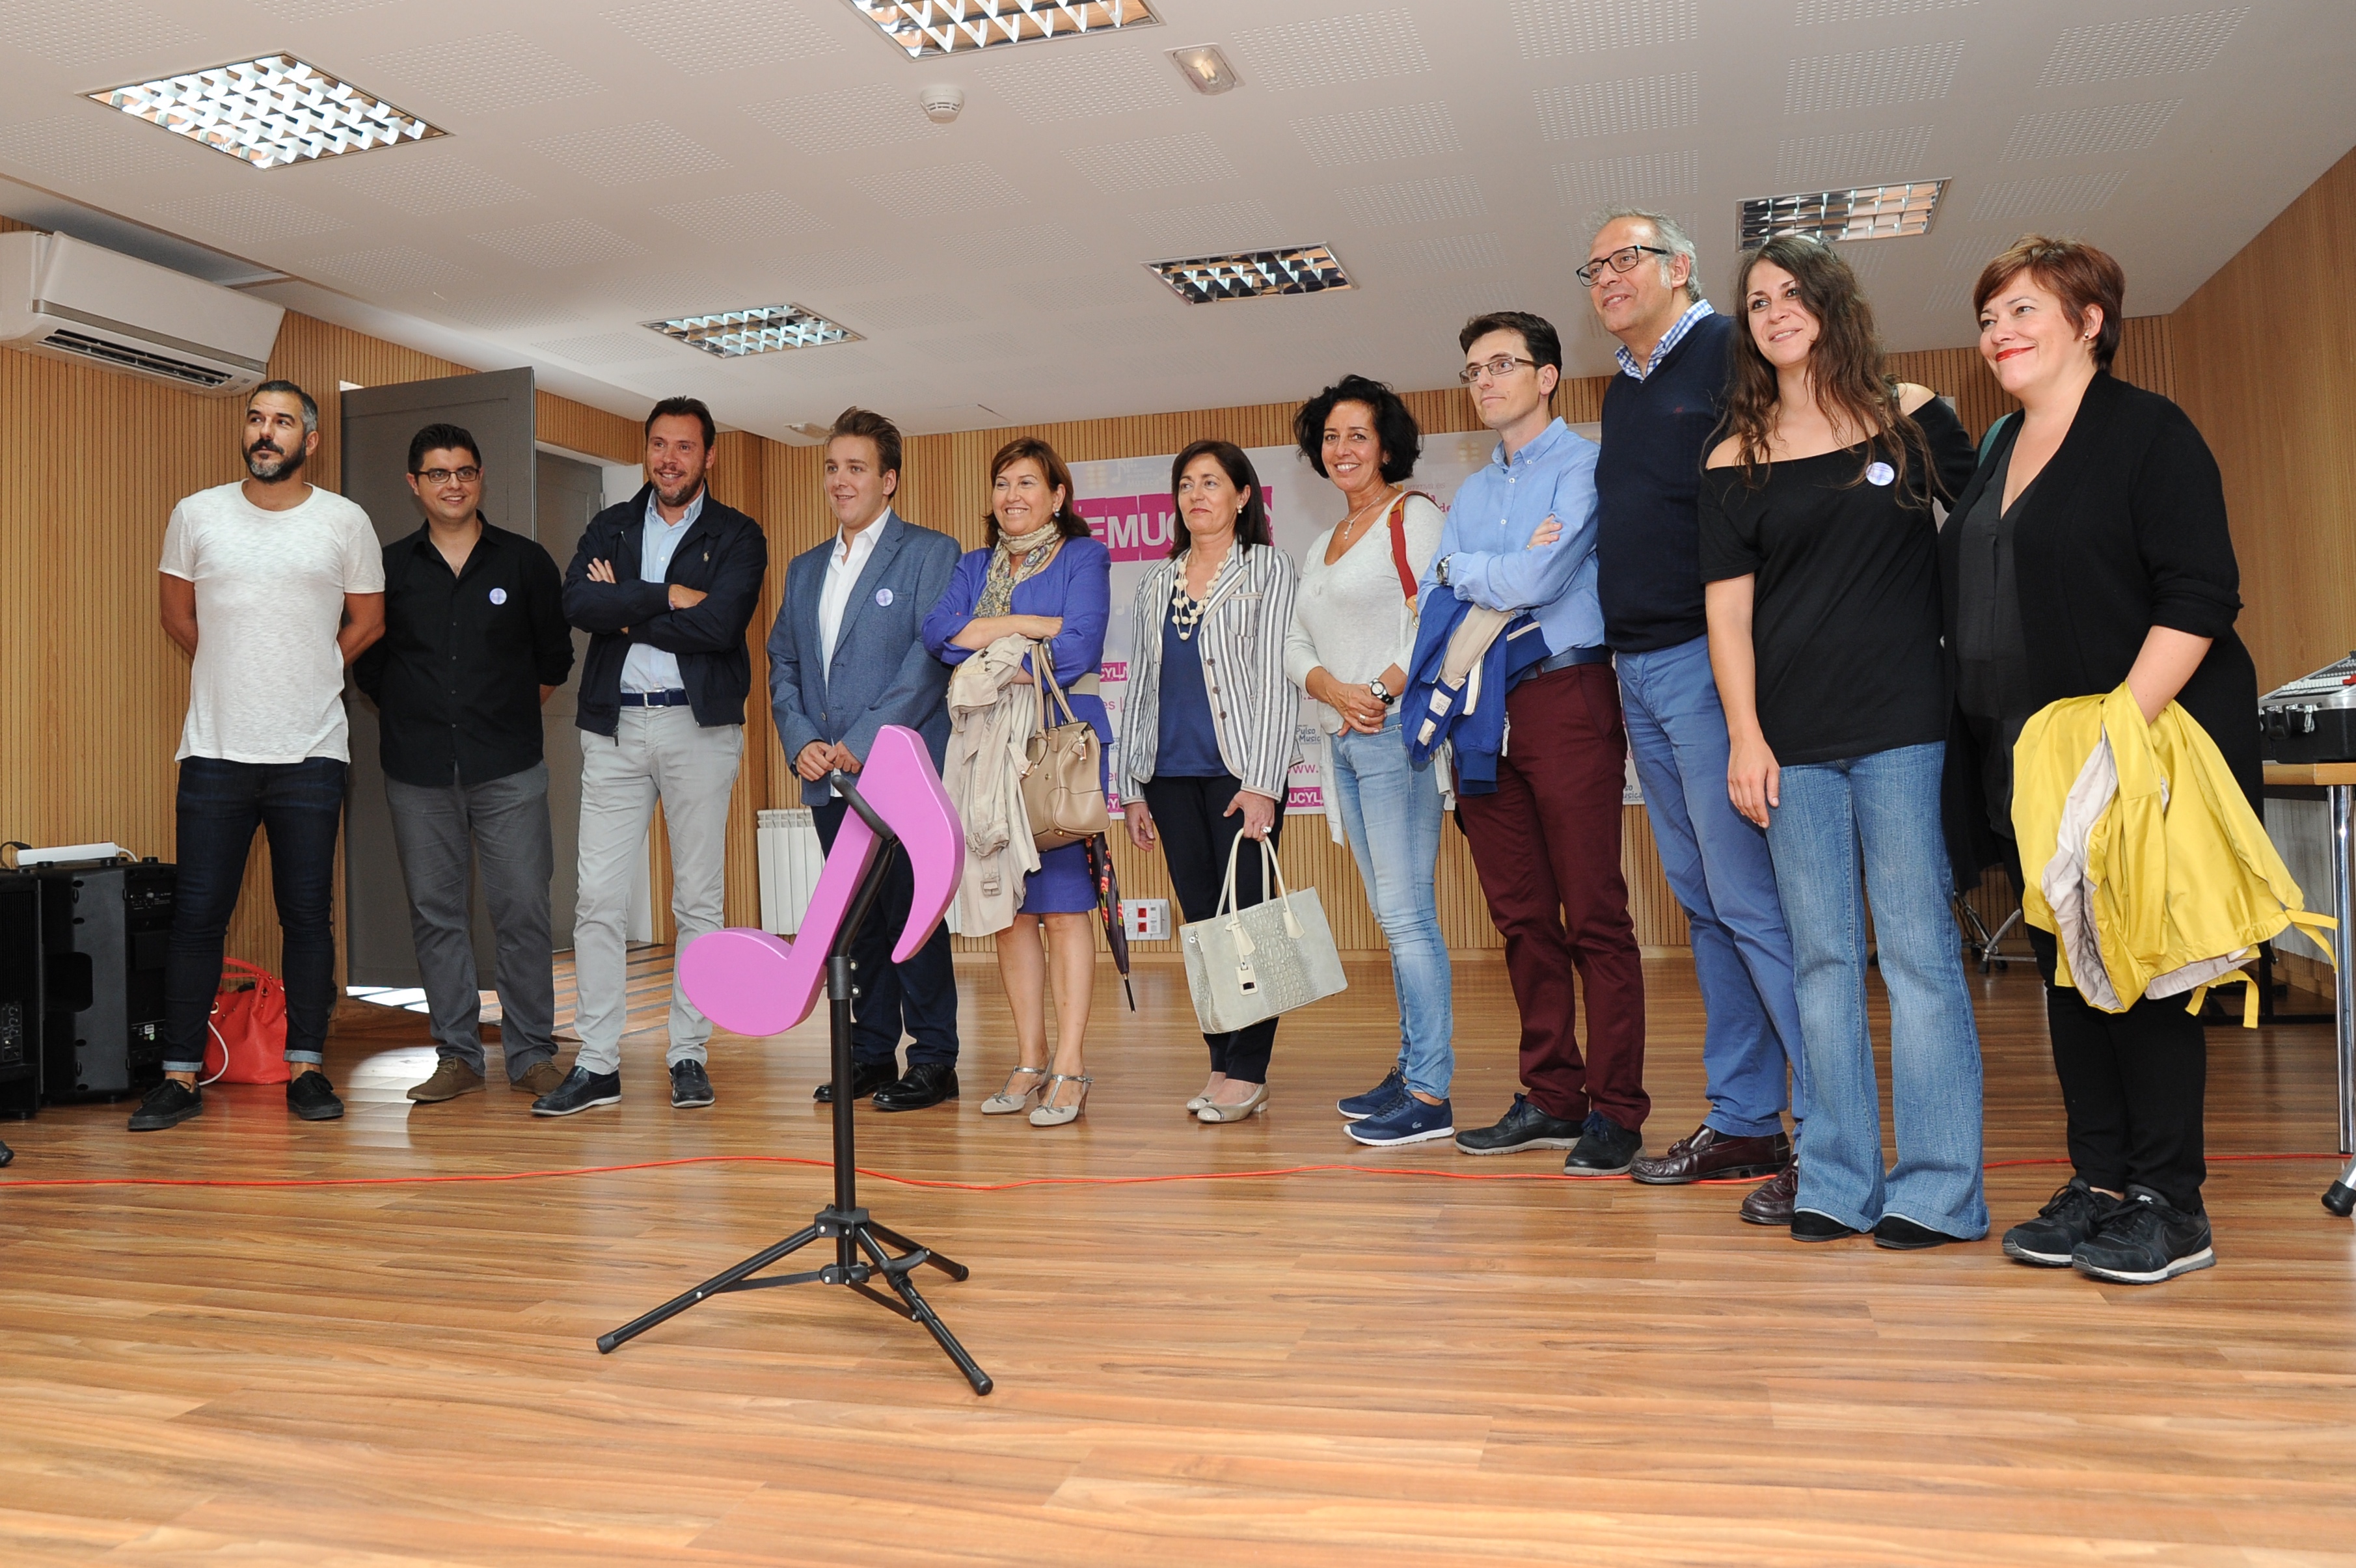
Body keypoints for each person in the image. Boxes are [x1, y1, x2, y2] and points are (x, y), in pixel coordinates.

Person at [1947, 236, 2256, 1285]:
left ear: (2089, 322)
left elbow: (2199, 595)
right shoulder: (2001, 445)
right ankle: (2102, 1181)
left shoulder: (2146, 431)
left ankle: (2172, 1204)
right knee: (2069, 972)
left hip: (2132, 746)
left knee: (2143, 972)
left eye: (2023, 311)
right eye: (1989, 318)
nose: (1999, 333)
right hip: (2030, 755)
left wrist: (2116, 732)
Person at [1698, 234, 1983, 1249]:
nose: (1775, 310)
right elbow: (1727, 616)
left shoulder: (1912, 414)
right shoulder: (1732, 457)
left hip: (1905, 728)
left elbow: (1993, 529)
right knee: (1821, 964)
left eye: (1792, 293)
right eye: (1757, 300)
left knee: (1917, 957)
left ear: (1830, 303)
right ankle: (1836, 1179)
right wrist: (1744, 735)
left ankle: (1939, 1192)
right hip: (1792, 743)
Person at [1584, 208, 1812, 1223]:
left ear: (1679, 266)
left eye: (1626, 257)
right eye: (1593, 266)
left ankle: (1833, 1133)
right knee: (1707, 904)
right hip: (1635, 667)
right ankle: (1747, 1118)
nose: (1607, 276)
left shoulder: (1730, 348)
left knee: (1752, 903)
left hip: (1708, 662)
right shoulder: (1623, 387)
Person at [130, 379, 386, 1131]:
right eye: (255, 419)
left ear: (311, 440)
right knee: (197, 917)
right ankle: (179, 1076)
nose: (265, 432)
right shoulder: (197, 513)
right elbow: (177, 615)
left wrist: (311, 668)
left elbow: (369, 620)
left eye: (282, 422)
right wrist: (236, 670)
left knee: (306, 917)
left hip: (311, 752)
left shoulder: (345, 521)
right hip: (215, 750)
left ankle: (305, 1067)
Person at [1435, 312, 1648, 1176]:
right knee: (1521, 916)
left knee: (1594, 912)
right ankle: (1553, 1096)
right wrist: (1482, 571)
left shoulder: (1584, 466)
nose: (1485, 381)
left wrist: (1470, 568)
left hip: (1565, 691)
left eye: (1502, 364)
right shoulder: (1471, 493)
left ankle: (1616, 1109)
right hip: (1482, 704)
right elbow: (1445, 598)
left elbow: (1538, 577)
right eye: (1473, 369)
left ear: (1547, 375)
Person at [538, 397, 767, 1116]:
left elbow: (720, 625)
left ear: (709, 456)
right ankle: (598, 1063)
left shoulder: (738, 534)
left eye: (685, 447)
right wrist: (667, 595)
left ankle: (688, 1053)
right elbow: (579, 605)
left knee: (697, 899)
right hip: (614, 730)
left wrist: (628, 611)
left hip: (698, 729)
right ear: (647, 451)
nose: (670, 460)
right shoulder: (610, 525)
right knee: (599, 900)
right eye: (659, 445)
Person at [353, 424, 575, 1105]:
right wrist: (421, 715)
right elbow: (369, 667)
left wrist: (500, 716)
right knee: (436, 914)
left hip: (508, 767)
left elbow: (554, 659)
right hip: (418, 771)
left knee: (523, 910)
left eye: (465, 471)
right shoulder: (387, 568)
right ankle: (457, 1055)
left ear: (480, 478)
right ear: (414, 484)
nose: (453, 484)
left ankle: (531, 1053)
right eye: (438, 473)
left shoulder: (525, 562)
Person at [772, 407, 964, 1111]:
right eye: (832, 467)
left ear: (889, 480)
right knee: (859, 923)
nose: (840, 481)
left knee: (912, 915)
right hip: (829, 778)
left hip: (898, 774)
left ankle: (935, 1058)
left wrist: (866, 736)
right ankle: (873, 1052)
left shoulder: (930, 553)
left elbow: (929, 659)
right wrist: (800, 739)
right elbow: (783, 663)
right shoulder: (804, 570)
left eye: (856, 468)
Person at [1282, 375, 1454, 1147]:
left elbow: (1436, 616)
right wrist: (1331, 688)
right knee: (1391, 914)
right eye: (1330, 436)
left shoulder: (1412, 516)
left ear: (1386, 445)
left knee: (1407, 914)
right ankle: (1411, 1064)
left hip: (1394, 734)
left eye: (1357, 434)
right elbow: (1295, 641)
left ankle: (1430, 1091)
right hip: (1341, 738)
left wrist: (1379, 691)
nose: (1342, 449)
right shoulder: (1322, 543)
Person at [921, 438, 1111, 1127]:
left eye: (1028, 483)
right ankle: (1030, 1059)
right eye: (1003, 483)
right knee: (1009, 911)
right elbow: (938, 634)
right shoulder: (975, 565)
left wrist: (986, 644)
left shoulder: (1084, 556)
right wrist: (1026, 627)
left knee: (1062, 908)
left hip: (1053, 748)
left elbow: (1079, 646)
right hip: (984, 752)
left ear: (1057, 495)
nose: (1012, 495)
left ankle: (1070, 1064)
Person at [1120, 441, 1299, 1124]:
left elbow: (1278, 683)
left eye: (1212, 482)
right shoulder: (1154, 582)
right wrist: (1132, 786)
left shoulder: (1268, 569)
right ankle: (1222, 1061)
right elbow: (1141, 687)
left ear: (1243, 495)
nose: (1197, 495)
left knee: (1249, 922)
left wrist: (1264, 782)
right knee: (1202, 927)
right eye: (1187, 484)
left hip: (1239, 777)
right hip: (1169, 778)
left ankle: (1250, 1071)